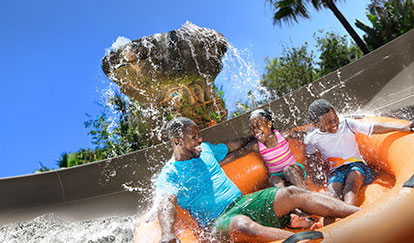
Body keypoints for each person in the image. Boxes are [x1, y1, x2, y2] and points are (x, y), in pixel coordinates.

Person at [154, 117, 360, 242]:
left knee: (292, 193)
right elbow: (166, 202)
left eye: (199, 135)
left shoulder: (206, 150)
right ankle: (297, 239)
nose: (199, 139)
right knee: (243, 226)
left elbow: (232, 146)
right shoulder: (170, 173)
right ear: (177, 141)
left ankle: (357, 213)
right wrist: (166, 234)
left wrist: (254, 138)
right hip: (217, 222)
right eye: (194, 137)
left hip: (244, 202)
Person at [304, 99, 414, 206]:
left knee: (350, 187)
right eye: (328, 122)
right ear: (316, 125)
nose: (334, 124)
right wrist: (314, 175)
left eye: (335, 118)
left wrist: (401, 128)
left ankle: (349, 217)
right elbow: (311, 157)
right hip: (336, 171)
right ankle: (332, 222)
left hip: (357, 165)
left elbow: (373, 128)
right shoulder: (312, 139)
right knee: (333, 194)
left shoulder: (346, 124)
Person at [221, 109, 307, 189]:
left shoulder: (284, 135)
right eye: (252, 128)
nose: (255, 130)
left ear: (269, 124)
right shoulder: (256, 146)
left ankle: (307, 196)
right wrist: (217, 164)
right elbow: (236, 155)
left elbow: (306, 136)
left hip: (295, 170)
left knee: (288, 170)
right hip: (277, 175)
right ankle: (290, 202)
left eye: (258, 125)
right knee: (274, 180)